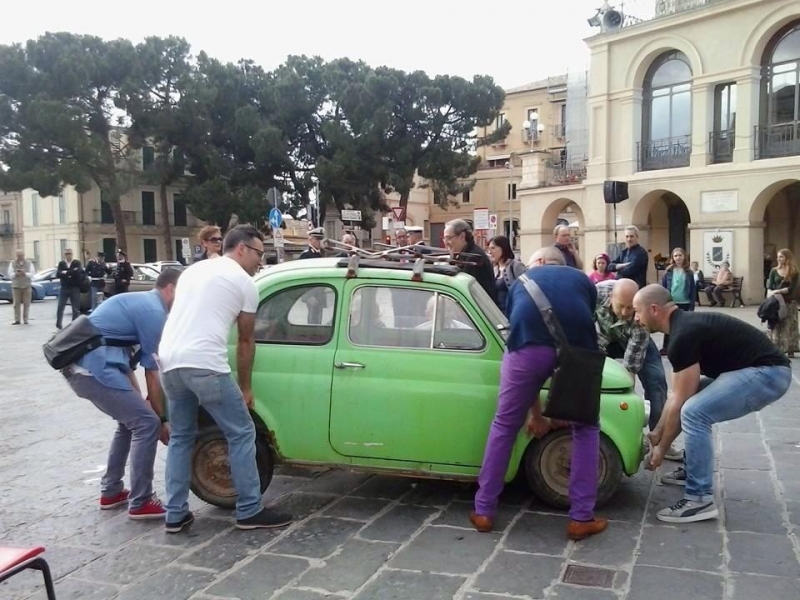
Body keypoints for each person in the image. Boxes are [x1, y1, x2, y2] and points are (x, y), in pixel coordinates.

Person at [159, 225, 293, 533]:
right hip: (205, 364)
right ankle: (249, 509)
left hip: (169, 360)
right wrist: (245, 387)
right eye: (259, 253)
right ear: (242, 249)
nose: (261, 261)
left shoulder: (193, 271)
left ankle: (175, 514)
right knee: (242, 432)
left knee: (181, 437)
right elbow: (246, 340)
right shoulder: (245, 283)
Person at [471, 247, 607, 541]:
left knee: (505, 425)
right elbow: (586, 316)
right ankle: (581, 518)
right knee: (585, 428)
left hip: (526, 349)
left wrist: (535, 414)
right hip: (578, 351)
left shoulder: (521, 282)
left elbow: (517, 328)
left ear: (541, 263)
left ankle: (483, 510)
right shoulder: (583, 280)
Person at [633, 284, 791, 523]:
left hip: (769, 373)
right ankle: (693, 470)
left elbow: (681, 401)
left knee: (695, 413)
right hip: (754, 370)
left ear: (653, 309)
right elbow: (677, 395)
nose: (635, 318)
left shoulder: (682, 336)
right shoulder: (681, 328)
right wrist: (656, 434)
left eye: (637, 311)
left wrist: (662, 449)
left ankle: (699, 499)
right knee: (691, 402)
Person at [61, 268, 181, 519]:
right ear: (170, 288)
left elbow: (127, 366)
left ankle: (112, 491)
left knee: (131, 422)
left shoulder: (140, 304)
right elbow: (152, 373)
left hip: (88, 370)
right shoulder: (154, 312)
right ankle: (141, 501)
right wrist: (159, 418)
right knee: (146, 424)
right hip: (92, 371)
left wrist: (141, 403)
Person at [594, 279, 679, 459]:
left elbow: (631, 366)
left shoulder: (641, 316)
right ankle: (597, 427)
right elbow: (583, 325)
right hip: (602, 338)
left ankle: (660, 440)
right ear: (610, 298)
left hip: (633, 339)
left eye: (630, 308)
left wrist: (627, 400)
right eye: (621, 306)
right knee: (593, 377)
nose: (625, 313)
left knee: (656, 382)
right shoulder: (595, 294)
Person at [443, 219, 497, 303]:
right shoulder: (466, 254)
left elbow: (463, 291)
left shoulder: (473, 258)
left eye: (448, 238)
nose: (445, 243)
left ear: (462, 236)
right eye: (444, 239)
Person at [660, 248, 695, 354]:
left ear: (684, 256)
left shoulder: (689, 272)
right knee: (669, 324)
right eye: (675, 256)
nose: (678, 258)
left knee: (684, 326)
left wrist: (692, 304)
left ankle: (683, 346)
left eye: (680, 255)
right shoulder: (668, 271)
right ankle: (666, 347)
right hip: (672, 302)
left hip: (685, 302)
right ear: (672, 258)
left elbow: (693, 289)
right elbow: (664, 287)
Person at [766, 248, 799, 358]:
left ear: (787, 258)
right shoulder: (774, 271)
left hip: (789, 302)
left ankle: (790, 348)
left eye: (781, 257)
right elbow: (769, 287)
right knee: (775, 325)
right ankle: (775, 348)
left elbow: (791, 288)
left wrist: (778, 291)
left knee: (789, 326)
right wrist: (772, 293)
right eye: (778, 257)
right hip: (776, 303)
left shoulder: (794, 272)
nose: (778, 259)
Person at [487, 235, 525, 315]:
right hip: (499, 314)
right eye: (489, 249)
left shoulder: (516, 266)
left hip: (512, 312)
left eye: (493, 248)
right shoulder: (494, 268)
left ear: (503, 248)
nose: (490, 252)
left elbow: (525, 290)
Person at [299, 227, 327, 324]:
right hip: (312, 293)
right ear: (310, 240)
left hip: (319, 293)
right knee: (312, 320)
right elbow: (303, 277)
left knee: (318, 319)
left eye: (320, 239)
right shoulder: (306, 255)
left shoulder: (321, 254)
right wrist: (308, 296)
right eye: (317, 239)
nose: (319, 242)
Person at [56, 248, 84, 329]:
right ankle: (59, 324)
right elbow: (58, 274)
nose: (68, 255)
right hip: (64, 288)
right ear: (64, 255)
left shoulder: (76, 263)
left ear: (72, 254)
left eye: (69, 253)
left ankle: (74, 325)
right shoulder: (61, 263)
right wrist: (70, 273)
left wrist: (65, 272)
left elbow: (78, 272)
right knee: (60, 307)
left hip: (74, 288)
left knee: (75, 308)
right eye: (66, 254)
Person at [8, 249, 36, 325]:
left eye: (21, 255)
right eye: (18, 256)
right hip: (16, 286)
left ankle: (26, 319)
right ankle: (17, 320)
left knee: (27, 303)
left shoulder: (29, 263)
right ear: (16, 256)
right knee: (16, 304)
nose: (20, 257)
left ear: (24, 255)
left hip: (27, 286)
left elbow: (32, 274)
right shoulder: (12, 263)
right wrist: (15, 274)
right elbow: (10, 274)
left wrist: (25, 273)